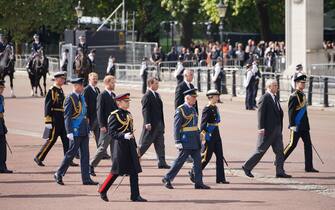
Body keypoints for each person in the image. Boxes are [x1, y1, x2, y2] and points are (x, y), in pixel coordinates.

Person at [98, 93, 147, 202]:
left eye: (128, 101)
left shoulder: (128, 114)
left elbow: (131, 131)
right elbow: (111, 133)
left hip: (130, 146)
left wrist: (135, 148)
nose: (128, 103)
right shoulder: (114, 115)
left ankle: (135, 195)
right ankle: (103, 189)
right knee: (116, 171)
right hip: (120, 147)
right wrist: (123, 135)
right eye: (125, 101)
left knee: (134, 171)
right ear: (118, 103)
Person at [242, 79, 291, 178]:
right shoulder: (265, 98)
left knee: (280, 151)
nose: (277, 87)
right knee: (260, 150)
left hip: (277, 129)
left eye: (277, 85)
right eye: (275, 85)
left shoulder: (275, 97)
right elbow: (260, 113)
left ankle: (280, 171)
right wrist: (261, 127)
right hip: (267, 130)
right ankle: (247, 167)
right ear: (269, 87)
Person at [162, 88, 210, 190]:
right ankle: (167, 178)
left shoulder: (192, 109)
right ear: (187, 98)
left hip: (195, 140)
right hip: (186, 140)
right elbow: (176, 126)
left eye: (195, 97)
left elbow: (194, 125)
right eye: (193, 97)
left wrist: (200, 136)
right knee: (179, 162)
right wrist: (177, 141)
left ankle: (198, 182)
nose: (195, 100)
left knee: (198, 162)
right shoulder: (181, 110)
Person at [54, 78, 98, 185]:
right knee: (71, 153)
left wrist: (88, 128)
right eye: (82, 86)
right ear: (76, 86)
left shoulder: (81, 97)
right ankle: (59, 173)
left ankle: (86, 178)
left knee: (85, 155)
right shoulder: (70, 98)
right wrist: (69, 131)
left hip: (83, 129)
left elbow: (84, 114)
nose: (83, 88)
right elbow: (67, 116)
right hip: (75, 130)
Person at [34, 72, 77, 167]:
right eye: (61, 78)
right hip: (55, 118)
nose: (63, 80)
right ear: (56, 79)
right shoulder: (52, 90)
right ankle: (39, 157)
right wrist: (48, 120)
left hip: (62, 118)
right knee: (52, 139)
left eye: (63, 78)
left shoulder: (60, 90)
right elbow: (47, 106)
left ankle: (68, 160)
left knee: (66, 140)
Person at [189, 89, 229, 184]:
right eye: (216, 96)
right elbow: (203, 123)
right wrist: (203, 135)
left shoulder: (215, 107)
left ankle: (220, 178)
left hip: (216, 134)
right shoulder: (207, 108)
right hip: (210, 135)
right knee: (206, 158)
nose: (218, 97)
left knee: (220, 157)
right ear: (211, 97)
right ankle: (194, 172)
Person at [283, 74, 319, 173]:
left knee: (308, 145)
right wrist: (292, 124)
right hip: (296, 125)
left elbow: (304, 112)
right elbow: (291, 112)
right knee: (292, 145)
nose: (303, 85)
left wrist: (307, 124)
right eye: (301, 83)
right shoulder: (294, 96)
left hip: (304, 125)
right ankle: (279, 161)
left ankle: (309, 166)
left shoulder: (303, 95)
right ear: (297, 83)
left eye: (304, 83)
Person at [138, 78, 170, 169]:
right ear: (150, 84)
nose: (157, 85)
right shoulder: (147, 96)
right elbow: (145, 110)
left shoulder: (156, 94)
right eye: (156, 83)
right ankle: (133, 160)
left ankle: (162, 162)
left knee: (160, 144)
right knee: (144, 144)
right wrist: (147, 122)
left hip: (159, 124)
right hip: (151, 125)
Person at [90, 75, 118, 176]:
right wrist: (102, 125)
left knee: (115, 149)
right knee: (102, 149)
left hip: (114, 127)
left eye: (114, 82)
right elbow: (99, 111)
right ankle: (91, 165)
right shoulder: (102, 95)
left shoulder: (113, 95)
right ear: (107, 83)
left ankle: (116, 169)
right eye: (112, 82)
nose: (114, 84)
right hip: (106, 127)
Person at [83, 72, 100, 148]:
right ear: (89, 79)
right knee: (85, 136)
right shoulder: (87, 90)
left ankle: (102, 153)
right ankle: (78, 153)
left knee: (99, 136)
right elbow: (84, 104)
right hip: (90, 117)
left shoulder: (97, 89)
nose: (95, 80)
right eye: (94, 79)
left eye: (96, 79)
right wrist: (86, 116)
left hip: (97, 116)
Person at [0, 80, 12, 173]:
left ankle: (2, 166)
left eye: (2, 88)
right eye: (0, 88)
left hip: (1, 122)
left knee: (2, 146)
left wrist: (3, 124)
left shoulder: (2, 98)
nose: (2, 90)